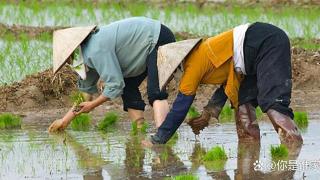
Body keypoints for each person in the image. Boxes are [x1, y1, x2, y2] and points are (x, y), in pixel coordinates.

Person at [143, 22, 303, 147]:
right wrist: (208, 113)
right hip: (251, 55)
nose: (171, 80)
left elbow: (180, 107)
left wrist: (158, 139)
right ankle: (248, 153)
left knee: (273, 102)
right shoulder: (199, 57)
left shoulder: (193, 66)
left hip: (264, 42)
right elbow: (227, 84)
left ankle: (293, 148)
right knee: (242, 103)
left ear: (175, 67)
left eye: (170, 76)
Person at [48, 17, 175, 132]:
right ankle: (140, 130)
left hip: (158, 37)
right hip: (144, 47)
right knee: (128, 88)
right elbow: (85, 95)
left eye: (67, 59)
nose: (68, 63)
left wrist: (93, 105)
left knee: (155, 92)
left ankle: (163, 137)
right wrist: (64, 121)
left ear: (73, 51)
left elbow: (115, 84)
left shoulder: (95, 49)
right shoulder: (84, 58)